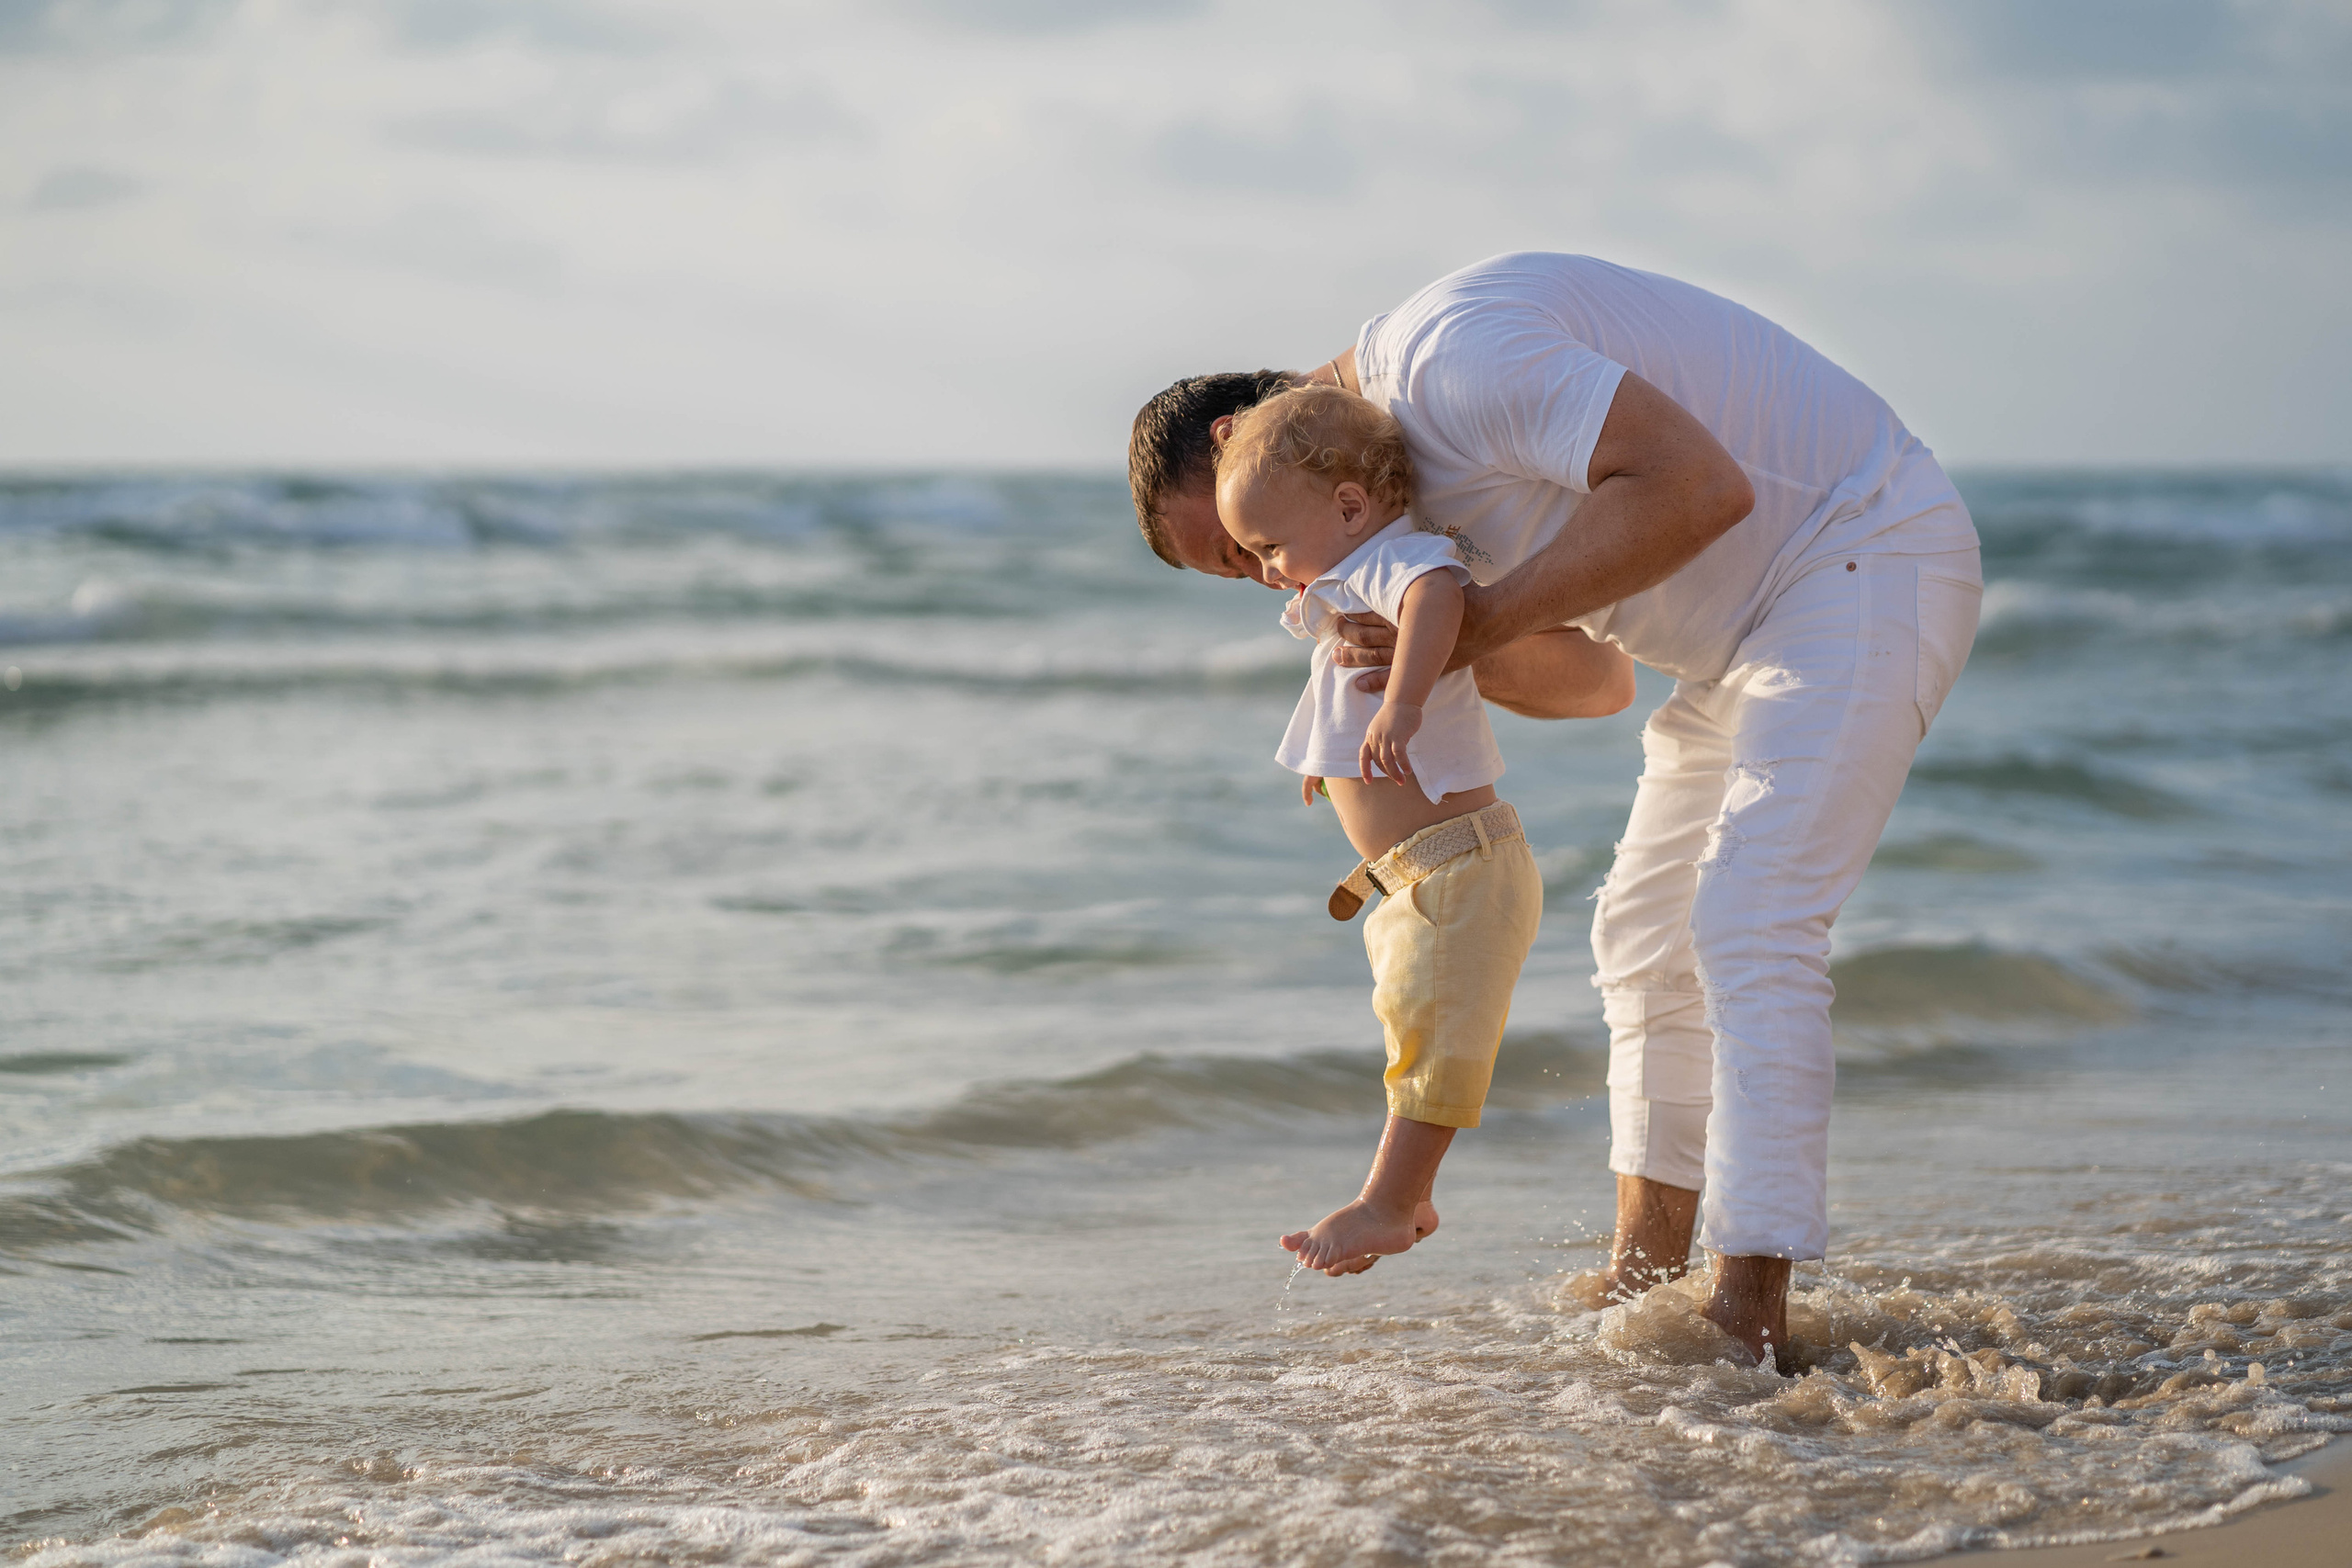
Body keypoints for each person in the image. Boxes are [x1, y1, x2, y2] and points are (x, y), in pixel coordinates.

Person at [1127, 252, 1983, 1369]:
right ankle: (1646, 1279)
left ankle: (1749, 1314)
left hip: (1865, 549)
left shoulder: (1447, 363)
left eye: (1252, 551)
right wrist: (1428, 661)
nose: (1278, 581)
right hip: (1729, 651)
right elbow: (1597, 682)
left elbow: (1701, 488)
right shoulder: (1376, 508)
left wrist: (1471, 628)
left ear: (1243, 434)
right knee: (1639, 940)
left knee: (1749, 918)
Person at [1214, 383, 1543, 1274]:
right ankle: (1413, 1194)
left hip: (1456, 872)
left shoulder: (1392, 560)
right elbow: (1338, 683)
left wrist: (1401, 704)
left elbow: (1438, 594)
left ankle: (1388, 1203)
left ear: (1350, 506)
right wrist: (1333, 761)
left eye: (1271, 546)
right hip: (1427, 875)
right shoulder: (1351, 574)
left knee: (1434, 1041)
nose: (1269, 569)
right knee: (1417, 1032)